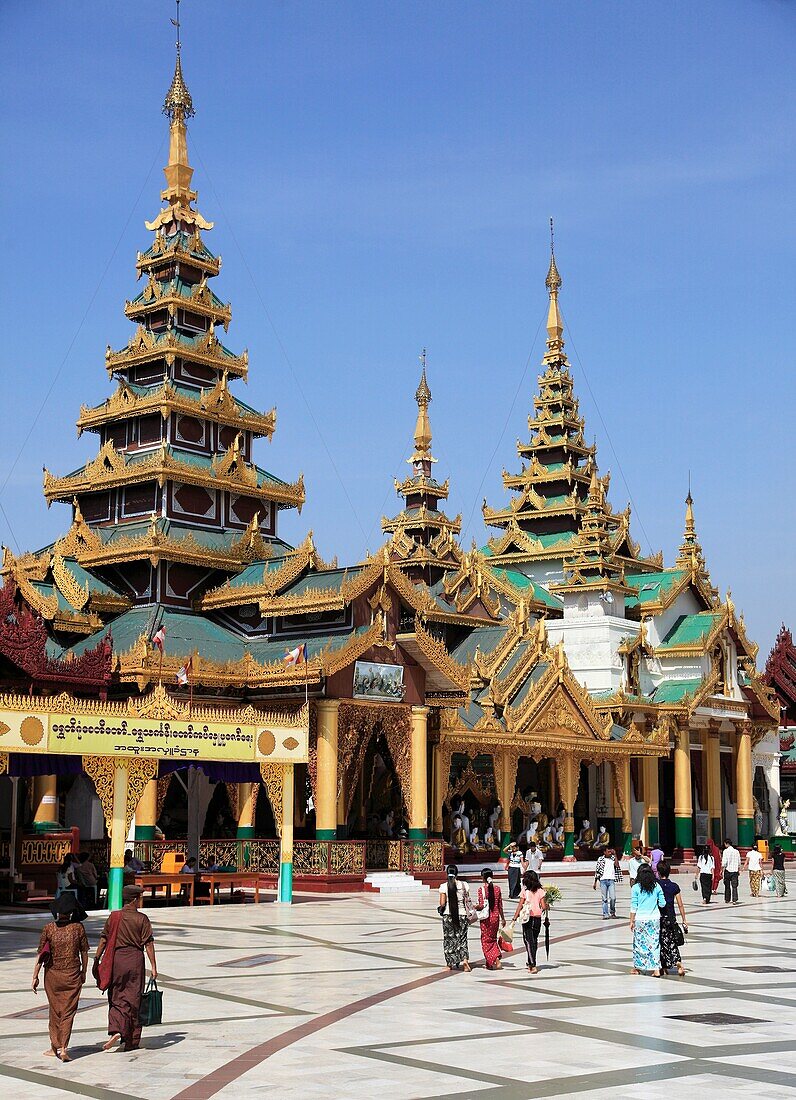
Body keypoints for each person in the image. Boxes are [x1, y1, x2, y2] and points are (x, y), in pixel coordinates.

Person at [95, 884, 157, 1052]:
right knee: (134, 998)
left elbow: (104, 939)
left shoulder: (114, 917)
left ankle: (116, 1029)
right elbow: (148, 944)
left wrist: (96, 958)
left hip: (117, 960)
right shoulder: (142, 919)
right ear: (135, 899)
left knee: (116, 996)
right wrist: (153, 966)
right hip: (135, 960)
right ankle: (131, 1040)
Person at [32, 894, 89, 1062]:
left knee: (55, 1009)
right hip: (72, 974)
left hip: (52, 975)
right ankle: (64, 1048)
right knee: (68, 1011)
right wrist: (84, 971)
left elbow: (41, 955)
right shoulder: (78, 928)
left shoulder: (48, 928)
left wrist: (35, 976)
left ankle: (54, 1046)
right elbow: (84, 952)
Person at [629, 863, 665, 976]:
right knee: (654, 944)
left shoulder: (635, 888)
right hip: (654, 918)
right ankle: (656, 969)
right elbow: (663, 904)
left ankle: (639, 967)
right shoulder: (657, 886)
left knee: (640, 944)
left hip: (640, 919)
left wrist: (631, 921)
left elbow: (633, 906)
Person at [437, 865, 471, 972]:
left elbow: (442, 903)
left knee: (449, 939)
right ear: (457, 873)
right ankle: (465, 961)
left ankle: (449, 964)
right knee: (462, 938)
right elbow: (467, 899)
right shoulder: (464, 885)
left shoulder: (443, 886)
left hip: (448, 915)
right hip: (462, 915)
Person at [512, 869, 547, 974]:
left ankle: (533, 964)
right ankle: (530, 961)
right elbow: (544, 906)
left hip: (527, 918)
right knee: (534, 941)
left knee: (528, 941)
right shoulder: (541, 891)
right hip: (537, 918)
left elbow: (520, 905)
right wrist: (547, 904)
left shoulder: (525, 891)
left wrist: (514, 917)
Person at [657, 860, 687, 977]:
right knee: (672, 941)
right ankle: (678, 962)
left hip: (660, 917)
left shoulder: (656, 885)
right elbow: (680, 904)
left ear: (658, 872)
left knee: (662, 942)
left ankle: (663, 966)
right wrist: (684, 920)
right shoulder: (674, 886)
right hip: (671, 917)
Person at [476, 868, 504, 970]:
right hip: (495, 917)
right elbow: (500, 905)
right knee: (492, 939)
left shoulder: (481, 890)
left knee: (486, 940)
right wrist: (503, 919)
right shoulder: (497, 889)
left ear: (483, 877)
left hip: (486, 918)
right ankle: (490, 962)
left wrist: (474, 907)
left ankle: (495, 960)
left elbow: (481, 905)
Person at [593, 847, 622, 919]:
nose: (610, 853)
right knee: (604, 898)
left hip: (611, 880)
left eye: (610, 851)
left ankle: (612, 912)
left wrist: (615, 855)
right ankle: (605, 914)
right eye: (608, 851)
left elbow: (617, 865)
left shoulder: (613, 858)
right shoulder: (601, 859)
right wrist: (595, 882)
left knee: (613, 898)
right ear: (604, 852)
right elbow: (597, 870)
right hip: (603, 880)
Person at [722, 839, 741, 905]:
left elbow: (724, 862)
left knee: (727, 885)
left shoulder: (725, 851)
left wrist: (722, 869)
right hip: (735, 871)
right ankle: (734, 900)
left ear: (726, 844)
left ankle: (727, 899)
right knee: (734, 886)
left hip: (728, 870)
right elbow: (739, 862)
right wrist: (739, 870)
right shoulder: (736, 851)